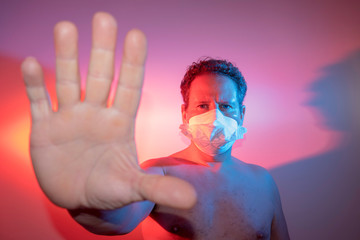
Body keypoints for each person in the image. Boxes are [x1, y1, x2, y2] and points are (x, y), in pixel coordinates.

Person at [21, 12, 289, 240]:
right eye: (202, 106)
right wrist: (83, 200)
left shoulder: (263, 181)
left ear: (241, 114)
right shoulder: (158, 173)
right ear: (185, 114)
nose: (215, 117)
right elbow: (116, 221)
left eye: (226, 106)